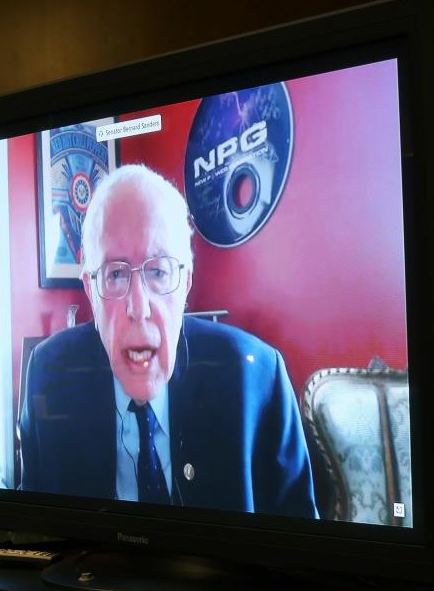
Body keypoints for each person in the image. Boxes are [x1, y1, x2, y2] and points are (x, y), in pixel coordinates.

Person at [19, 164, 318, 518]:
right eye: (115, 274)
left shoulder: (258, 379)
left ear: (186, 284)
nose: (138, 308)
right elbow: (36, 531)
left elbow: (300, 548)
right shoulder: (48, 374)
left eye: (158, 272)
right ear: (90, 290)